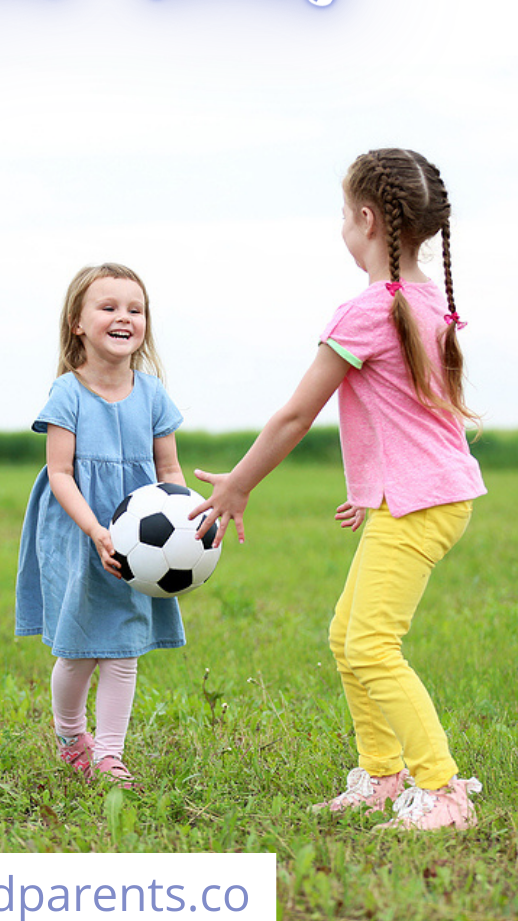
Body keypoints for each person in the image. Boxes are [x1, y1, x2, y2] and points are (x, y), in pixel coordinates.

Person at [194, 149, 485, 832]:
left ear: (364, 219)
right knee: (345, 636)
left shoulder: (365, 311)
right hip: (426, 496)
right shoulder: (424, 301)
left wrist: (239, 483)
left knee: (372, 645)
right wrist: (376, 490)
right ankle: (383, 775)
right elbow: (415, 416)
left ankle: (443, 792)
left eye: (342, 215)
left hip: (420, 505)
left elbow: (297, 415)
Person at [16, 263, 188, 787]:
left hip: (139, 541)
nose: (124, 318)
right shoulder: (67, 393)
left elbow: (170, 471)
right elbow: (61, 474)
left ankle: (110, 755)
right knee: (78, 648)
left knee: (124, 645)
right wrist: (95, 530)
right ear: (78, 323)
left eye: (135, 309)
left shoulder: (153, 394)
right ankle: (72, 736)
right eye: (108, 307)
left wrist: (187, 518)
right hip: (77, 533)